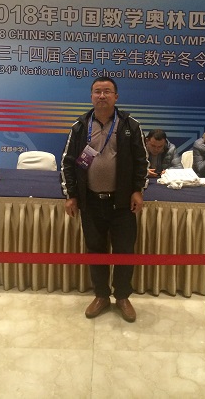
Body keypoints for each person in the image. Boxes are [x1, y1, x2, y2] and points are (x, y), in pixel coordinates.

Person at [60, 77, 149, 322]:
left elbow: (141, 162)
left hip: (122, 203)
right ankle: (101, 295)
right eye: (97, 91)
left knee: (124, 251)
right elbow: (69, 163)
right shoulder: (80, 126)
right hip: (90, 202)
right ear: (91, 96)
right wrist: (71, 195)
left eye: (107, 91)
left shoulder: (130, 125)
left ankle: (122, 296)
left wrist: (138, 190)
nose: (102, 96)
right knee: (95, 250)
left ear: (116, 97)